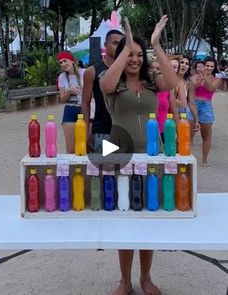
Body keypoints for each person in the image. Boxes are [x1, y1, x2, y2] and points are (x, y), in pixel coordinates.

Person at [100, 16, 178, 295]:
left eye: (138, 54)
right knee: (125, 218)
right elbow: (106, 86)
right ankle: (124, 280)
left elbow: (172, 82)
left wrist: (155, 45)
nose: (134, 59)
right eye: (128, 54)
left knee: (147, 216)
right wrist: (127, 45)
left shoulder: (153, 81)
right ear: (121, 55)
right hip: (119, 154)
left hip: (152, 155)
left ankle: (146, 277)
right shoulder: (112, 82)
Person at [81, 29, 124, 153]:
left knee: (126, 171)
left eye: (121, 44)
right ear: (105, 45)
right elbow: (85, 103)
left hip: (127, 130)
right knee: (105, 170)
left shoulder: (128, 70)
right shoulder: (92, 71)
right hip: (102, 130)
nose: (118, 47)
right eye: (114, 43)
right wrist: (86, 132)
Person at [187, 56, 222, 167]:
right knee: (188, 133)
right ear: (203, 65)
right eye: (207, 65)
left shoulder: (217, 79)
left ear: (215, 67)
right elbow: (190, 97)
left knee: (206, 135)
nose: (209, 68)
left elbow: (210, 88)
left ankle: (204, 160)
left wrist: (204, 75)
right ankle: (186, 156)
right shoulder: (194, 77)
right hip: (194, 104)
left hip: (206, 106)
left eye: (212, 66)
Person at [57, 51, 85, 153]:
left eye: (65, 61)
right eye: (60, 63)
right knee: (71, 148)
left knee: (85, 144)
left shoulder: (85, 73)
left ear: (72, 61)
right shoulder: (62, 77)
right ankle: (72, 168)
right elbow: (62, 100)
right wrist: (68, 92)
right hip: (70, 109)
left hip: (84, 108)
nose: (63, 64)